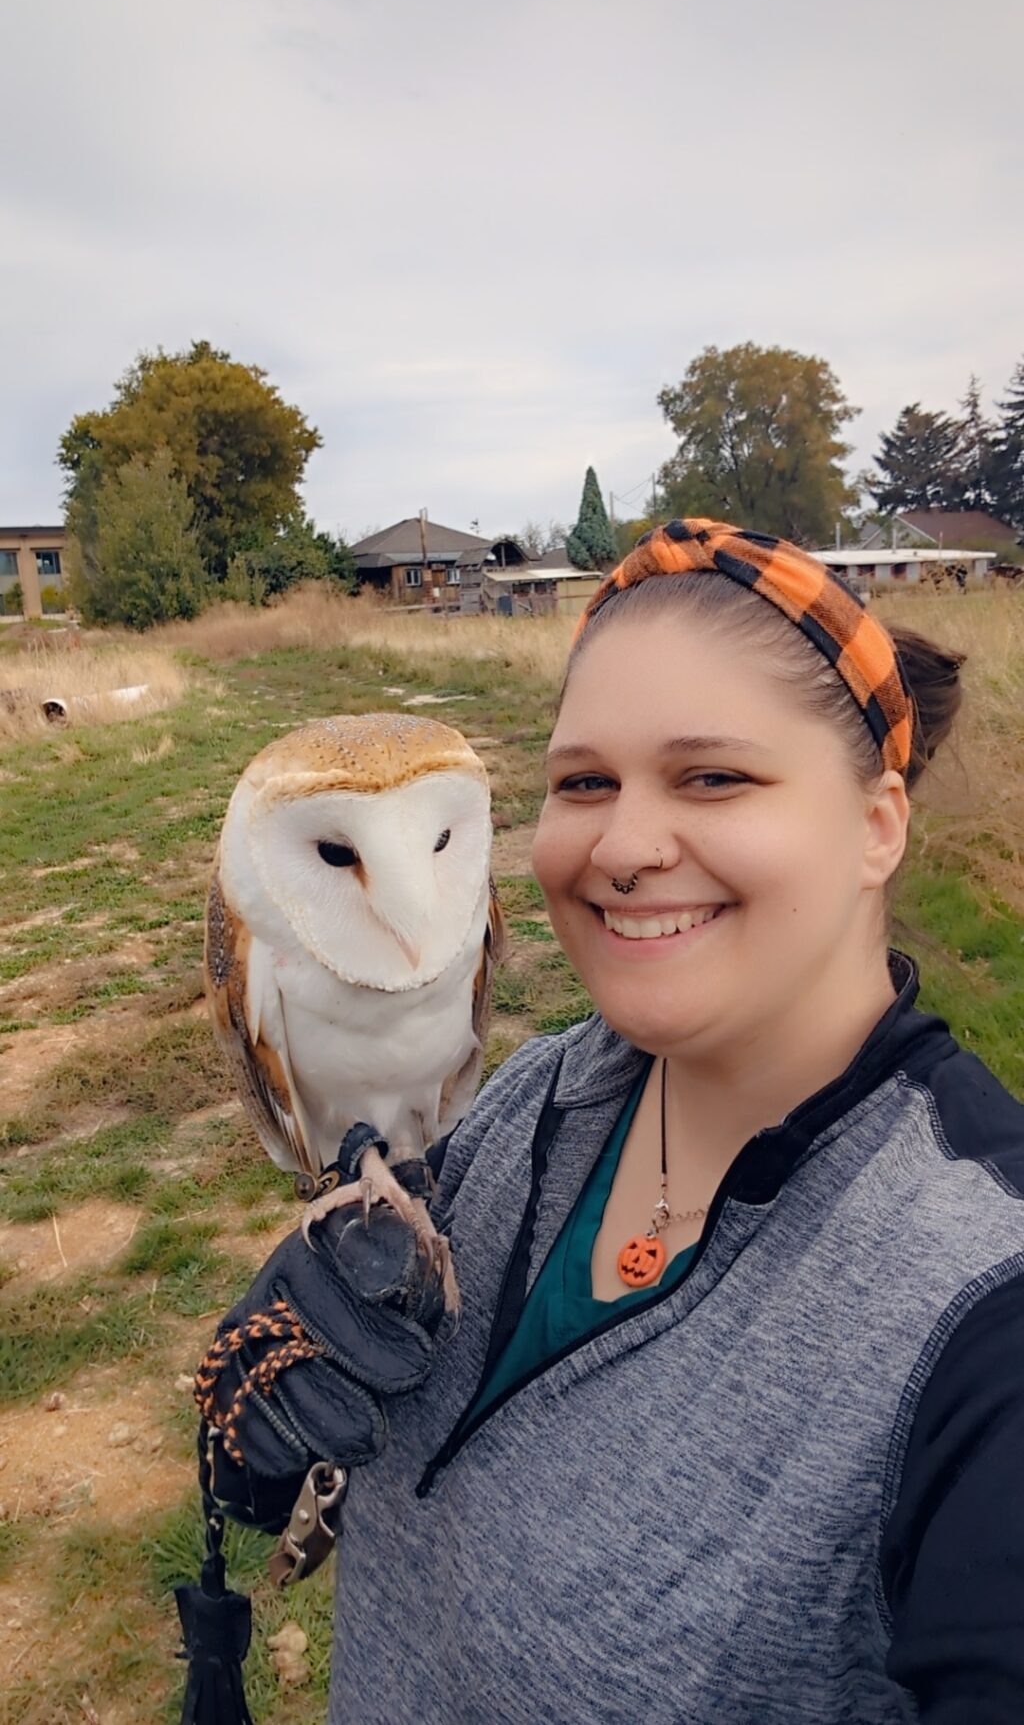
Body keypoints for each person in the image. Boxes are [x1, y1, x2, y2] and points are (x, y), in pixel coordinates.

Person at [321, 518, 1024, 1723]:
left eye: (713, 776)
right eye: (583, 781)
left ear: (876, 824)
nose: (624, 845)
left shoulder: (979, 1310)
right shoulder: (538, 1098)